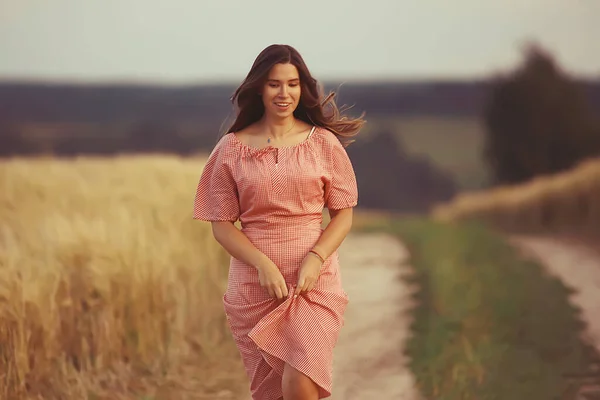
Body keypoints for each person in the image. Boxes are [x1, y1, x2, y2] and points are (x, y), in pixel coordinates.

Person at [193, 44, 365, 400]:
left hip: (312, 284)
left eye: (292, 84)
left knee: (301, 380)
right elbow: (221, 224)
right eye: (274, 84)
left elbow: (343, 214)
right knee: (271, 392)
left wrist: (315, 259)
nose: (284, 93)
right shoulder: (231, 148)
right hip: (255, 287)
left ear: (303, 88)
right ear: (259, 87)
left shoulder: (324, 144)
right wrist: (262, 265)